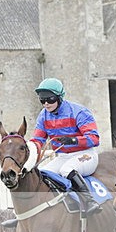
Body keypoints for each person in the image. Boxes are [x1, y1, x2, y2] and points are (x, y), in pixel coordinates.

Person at [30, 77, 101, 217]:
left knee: (66, 170)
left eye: (49, 99)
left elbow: (94, 138)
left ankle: (90, 201)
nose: (45, 103)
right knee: (40, 174)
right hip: (62, 156)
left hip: (85, 155)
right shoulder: (43, 116)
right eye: (42, 99)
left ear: (59, 97)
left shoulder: (79, 112)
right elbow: (37, 141)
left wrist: (73, 140)